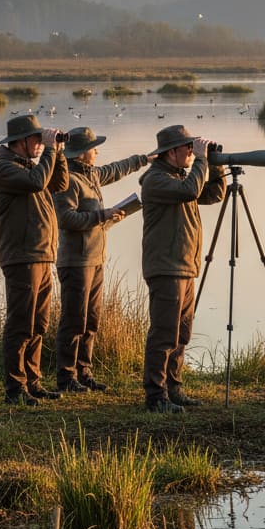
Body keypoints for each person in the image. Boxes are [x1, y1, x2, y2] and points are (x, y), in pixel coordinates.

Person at [53, 126, 154, 394]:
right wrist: (102, 215)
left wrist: (143, 159)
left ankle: (84, 373)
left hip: (96, 258)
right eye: (93, 147)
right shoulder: (67, 181)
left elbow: (116, 169)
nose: (97, 150)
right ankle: (65, 377)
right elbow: (65, 219)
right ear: (81, 153)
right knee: (74, 319)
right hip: (75, 261)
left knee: (92, 319)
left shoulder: (92, 175)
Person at [140, 125, 225, 413]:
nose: (191, 151)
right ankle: (155, 396)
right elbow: (191, 190)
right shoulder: (156, 180)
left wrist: (213, 165)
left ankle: (173, 388)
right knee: (164, 333)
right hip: (166, 267)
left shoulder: (178, 179)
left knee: (181, 333)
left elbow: (212, 194)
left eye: (193, 147)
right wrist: (201, 161)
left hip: (185, 266)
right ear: (171, 152)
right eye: (187, 148)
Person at [0, 114, 68, 407]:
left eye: (41, 139)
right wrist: (49, 150)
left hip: (41, 253)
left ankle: (32, 381)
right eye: (36, 139)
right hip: (22, 255)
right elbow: (37, 183)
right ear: (20, 142)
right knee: (21, 323)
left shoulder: (29, 166)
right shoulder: (4, 168)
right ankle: (15, 387)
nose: (39, 144)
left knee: (39, 323)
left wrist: (56, 152)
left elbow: (59, 183)